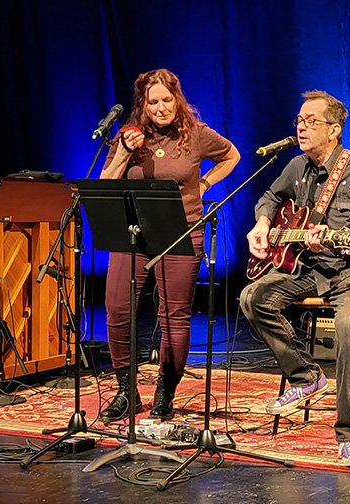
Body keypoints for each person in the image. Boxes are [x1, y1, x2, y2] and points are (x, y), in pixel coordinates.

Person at [239, 91, 350, 468]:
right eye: (299, 121)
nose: (301, 127)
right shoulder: (296, 167)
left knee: (348, 326)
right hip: (309, 268)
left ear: (334, 130)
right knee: (253, 297)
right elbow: (270, 196)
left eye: (311, 121)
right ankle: (306, 375)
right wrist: (263, 223)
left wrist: (336, 243)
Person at [99, 69, 240, 423]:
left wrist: (206, 182)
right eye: (153, 102)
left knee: (173, 316)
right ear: (143, 107)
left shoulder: (196, 135)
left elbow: (231, 155)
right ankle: (126, 392)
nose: (161, 108)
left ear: (177, 100)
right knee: (117, 309)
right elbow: (105, 183)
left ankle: (165, 391)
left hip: (181, 232)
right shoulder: (129, 137)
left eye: (167, 100)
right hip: (133, 232)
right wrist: (123, 154)